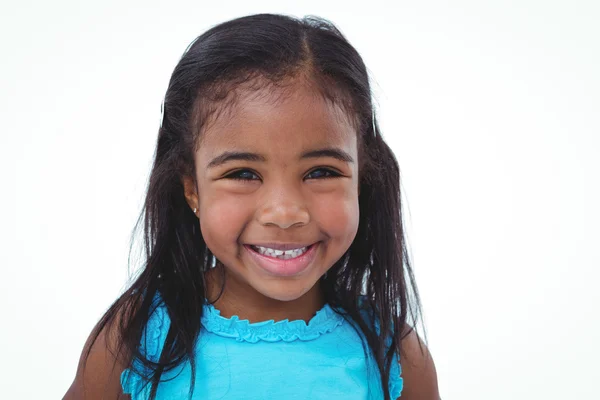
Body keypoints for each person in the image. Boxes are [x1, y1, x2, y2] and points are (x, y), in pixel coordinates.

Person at [64, 13, 439, 400]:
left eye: (322, 171)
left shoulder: (397, 356)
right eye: (243, 174)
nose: (285, 213)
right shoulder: (135, 340)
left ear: (362, 179)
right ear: (191, 188)